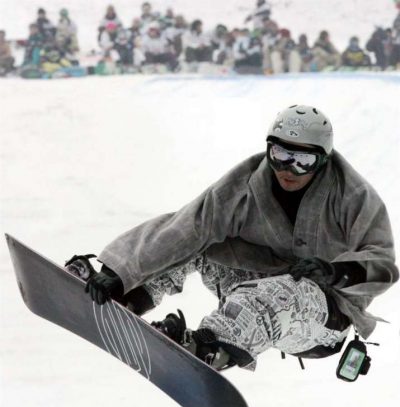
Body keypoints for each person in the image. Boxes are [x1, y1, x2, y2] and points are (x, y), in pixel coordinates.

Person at [66, 105, 398, 371]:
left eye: (303, 161)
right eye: (281, 155)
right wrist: (119, 273)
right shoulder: (249, 182)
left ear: (323, 160)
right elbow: (190, 226)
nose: (288, 169)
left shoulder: (351, 195)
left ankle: (211, 347)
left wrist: (336, 272)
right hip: (256, 283)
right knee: (195, 243)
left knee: (285, 291)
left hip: (321, 316)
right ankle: (133, 295)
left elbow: (383, 262)